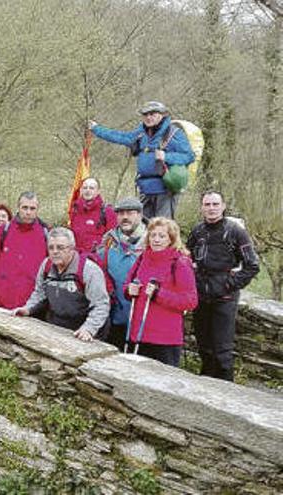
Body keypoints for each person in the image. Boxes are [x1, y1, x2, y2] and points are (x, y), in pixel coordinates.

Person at [186, 192, 260, 381]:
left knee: (222, 351)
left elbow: (252, 265)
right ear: (201, 207)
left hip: (225, 298)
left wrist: (230, 284)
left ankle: (226, 391)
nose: (211, 208)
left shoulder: (236, 231)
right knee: (203, 346)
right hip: (201, 296)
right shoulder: (197, 231)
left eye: (215, 204)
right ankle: (206, 387)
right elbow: (186, 260)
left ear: (223, 206)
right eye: (207, 204)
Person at [90, 101, 195, 219]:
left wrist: (167, 157)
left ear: (162, 115)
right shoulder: (141, 133)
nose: (148, 117)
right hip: (145, 189)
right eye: (145, 115)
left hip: (165, 189)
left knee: (162, 228)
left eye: (152, 114)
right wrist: (96, 129)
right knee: (144, 229)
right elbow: (121, 137)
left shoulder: (174, 133)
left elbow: (189, 156)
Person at [124, 217, 198, 366]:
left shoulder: (180, 262)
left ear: (171, 239)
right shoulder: (143, 258)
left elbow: (190, 301)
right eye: (153, 235)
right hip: (138, 334)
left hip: (164, 340)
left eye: (162, 236)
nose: (156, 240)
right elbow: (129, 284)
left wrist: (159, 294)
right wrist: (129, 290)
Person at [13, 228, 110, 342]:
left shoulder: (89, 270)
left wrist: (88, 329)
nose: (55, 252)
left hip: (86, 328)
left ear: (72, 249)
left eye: (60, 247)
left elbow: (101, 305)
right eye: (51, 247)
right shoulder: (46, 265)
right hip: (57, 325)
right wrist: (27, 309)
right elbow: (39, 293)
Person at [95, 197, 147, 350]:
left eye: (130, 213)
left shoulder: (155, 240)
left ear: (139, 214)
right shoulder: (108, 242)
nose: (125, 217)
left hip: (145, 321)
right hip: (114, 317)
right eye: (121, 213)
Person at [0, 192, 49, 309]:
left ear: (37, 210)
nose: (28, 212)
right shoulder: (2, 231)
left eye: (32, 208)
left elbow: (49, 268)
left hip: (31, 305)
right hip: (1, 301)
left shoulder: (45, 234)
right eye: (24, 207)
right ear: (18, 208)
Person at [69, 177, 115, 253]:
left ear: (98, 191)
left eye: (91, 188)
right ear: (81, 190)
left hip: (97, 258)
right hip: (77, 257)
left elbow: (113, 239)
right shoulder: (75, 210)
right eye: (85, 188)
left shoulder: (107, 211)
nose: (88, 190)